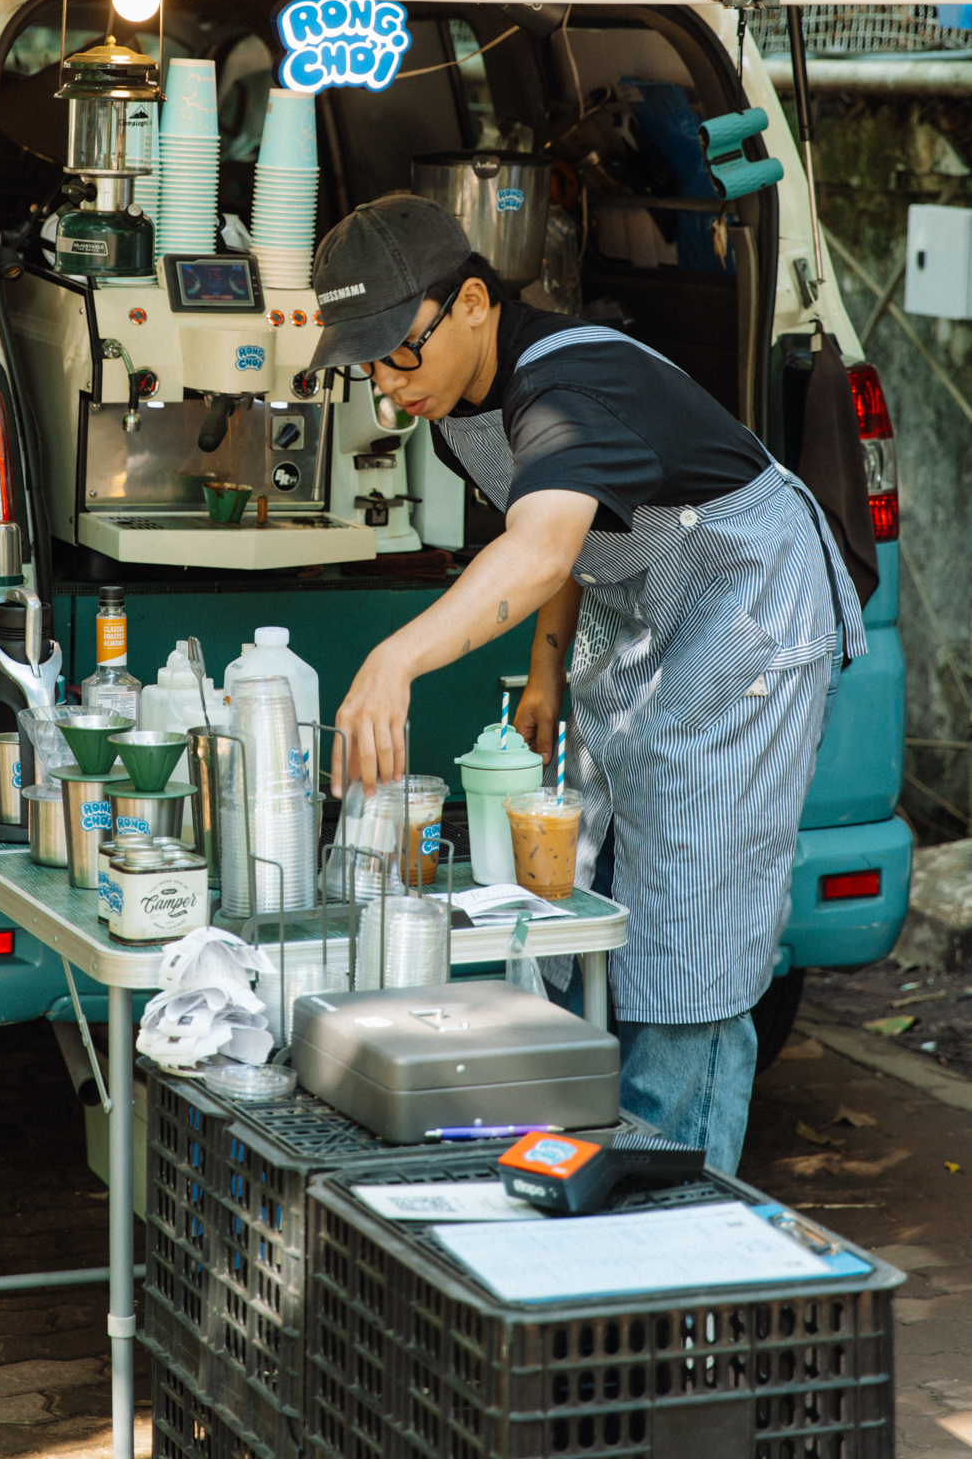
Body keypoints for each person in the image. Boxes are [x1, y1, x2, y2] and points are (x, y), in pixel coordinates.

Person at [310, 194, 863, 1173]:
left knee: (692, 920)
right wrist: (544, 673)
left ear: (472, 301)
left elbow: (541, 543)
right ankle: (585, 1160)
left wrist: (394, 657)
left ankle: (677, 1223)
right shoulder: (457, 410)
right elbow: (563, 538)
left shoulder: (571, 384)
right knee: (577, 894)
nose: (390, 386)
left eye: (401, 352)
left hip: (746, 606)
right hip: (644, 616)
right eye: (367, 367)